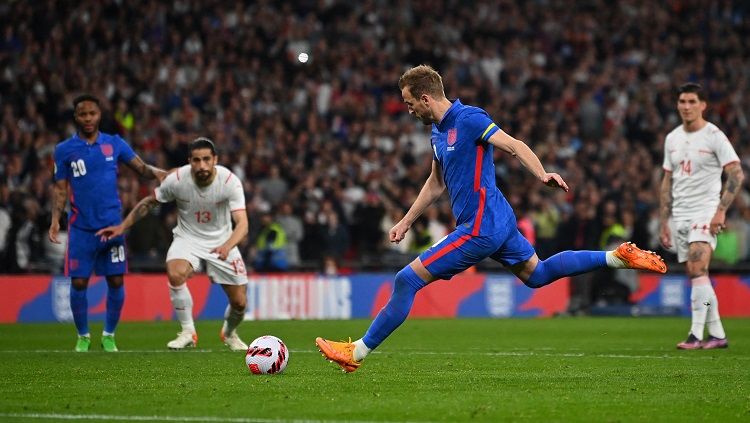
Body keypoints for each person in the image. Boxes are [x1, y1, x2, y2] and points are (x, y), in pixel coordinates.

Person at [315, 65, 667, 372]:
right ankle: (616, 257)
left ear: (425, 98)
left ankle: (357, 352)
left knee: (407, 280)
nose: (407, 110)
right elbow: (436, 183)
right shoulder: (436, 132)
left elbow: (513, 144)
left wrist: (541, 173)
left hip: (481, 226)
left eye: (409, 103)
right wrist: (406, 220)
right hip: (497, 221)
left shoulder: (469, 119)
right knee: (538, 273)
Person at [97, 138, 250, 351]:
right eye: (196, 160)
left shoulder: (229, 182)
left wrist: (228, 245)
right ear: (190, 161)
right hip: (188, 239)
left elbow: (242, 224)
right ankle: (188, 331)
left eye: (207, 159)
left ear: (215, 159)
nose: (202, 165)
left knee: (240, 303)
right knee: (175, 272)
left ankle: (229, 333)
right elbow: (150, 202)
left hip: (223, 241)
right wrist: (123, 226)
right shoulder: (177, 179)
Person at [49, 94, 167, 352]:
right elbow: (60, 189)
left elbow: (141, 167)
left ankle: (109, 335)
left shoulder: (114, 144)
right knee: (79, 282)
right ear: (76, 117)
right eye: (83, 114)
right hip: (81, 228)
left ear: (99, 115)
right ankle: (83, 336)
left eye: (92, 113)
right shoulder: (64, 150)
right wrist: (55, 220)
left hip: (113, 226)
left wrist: (159, 173)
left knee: (115, 281)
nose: (88, 118)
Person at [659, 83, 744, 350]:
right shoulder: (672, 138)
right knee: (697, 274)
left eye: (692, 101)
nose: (686, 106)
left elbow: (736, 173)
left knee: (697, 268)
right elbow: (667, 180)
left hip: (705, 210)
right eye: (682, 101)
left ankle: (696, 335)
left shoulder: (714, 136)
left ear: (703, 105)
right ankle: (717, 334)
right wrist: (664, 220)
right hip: (681, 214)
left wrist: (720, 211)